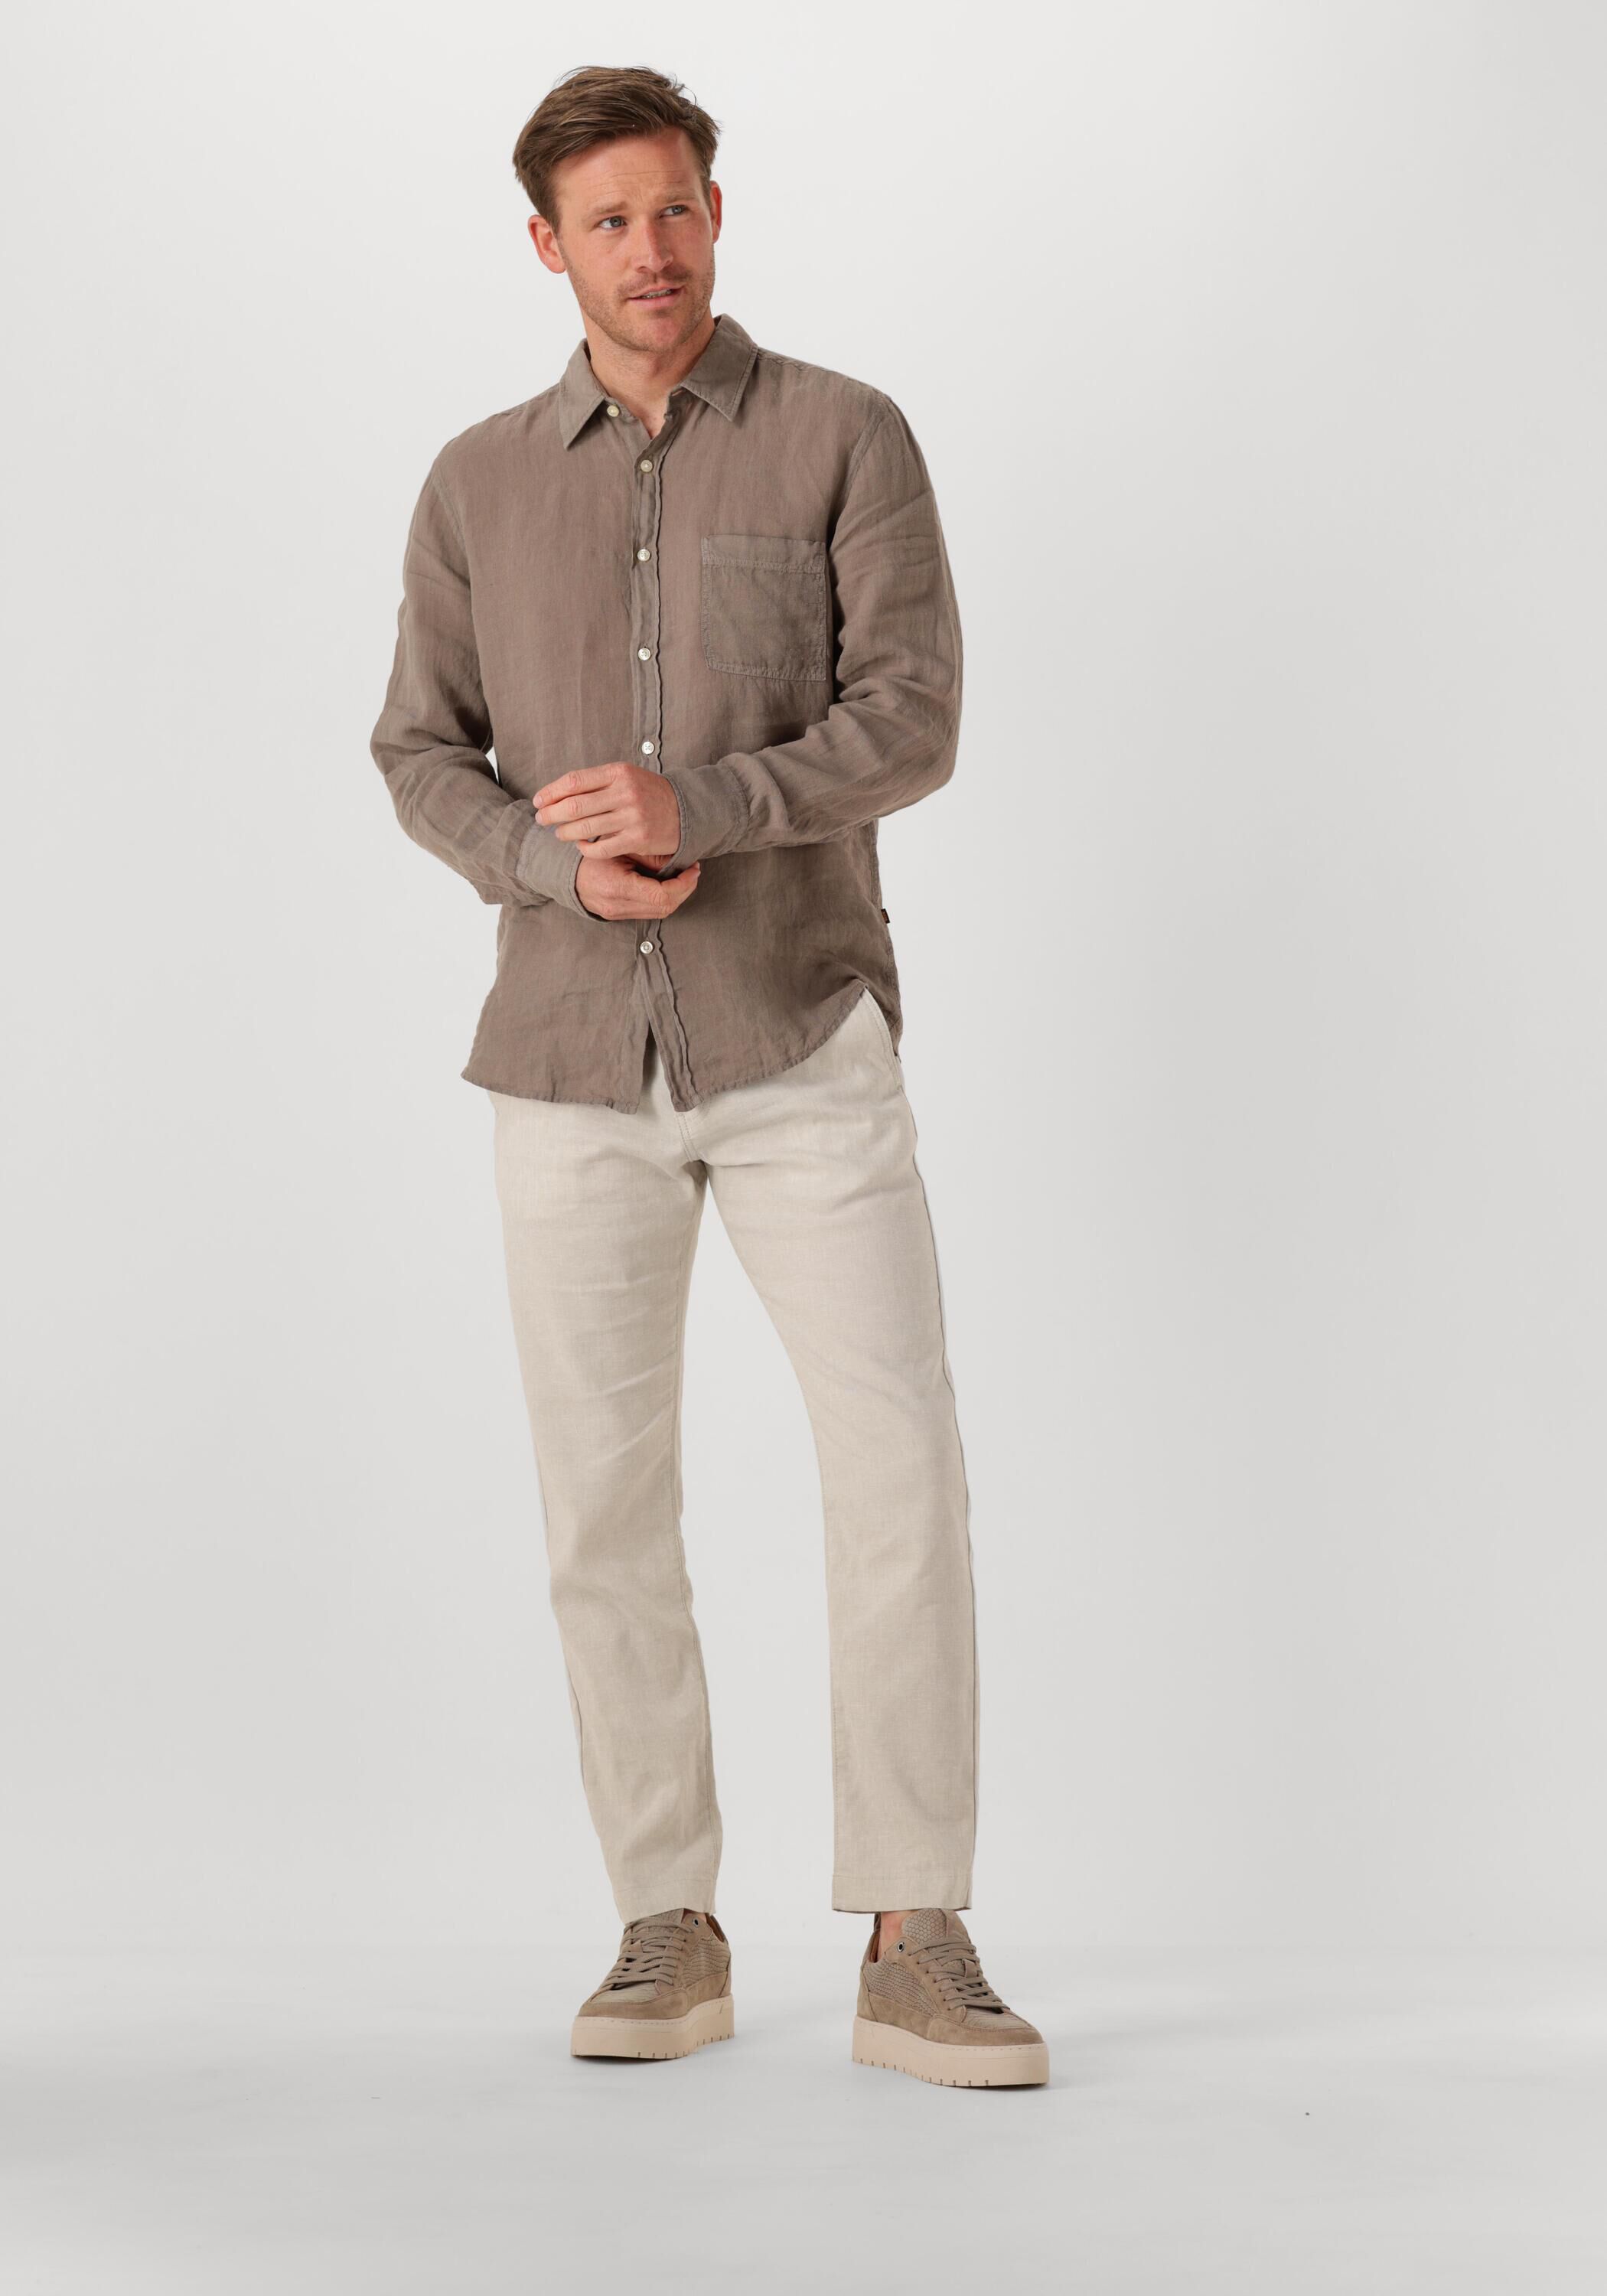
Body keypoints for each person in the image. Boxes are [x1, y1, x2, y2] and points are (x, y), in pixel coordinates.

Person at [370, 62, 1048, 2090]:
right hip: (565, 1057)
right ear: (546, 245)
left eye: (674, 207)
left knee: (896, 1470)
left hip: (799, 1030)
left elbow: (913, 715)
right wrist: (542, 859)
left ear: (717, 212)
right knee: (603, 1505)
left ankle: (916, 1932)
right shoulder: (476, 483)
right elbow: (418, 745)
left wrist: (710, 805)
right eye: (608, 221)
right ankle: (664, 1917)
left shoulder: (845, 433)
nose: (649, 250)